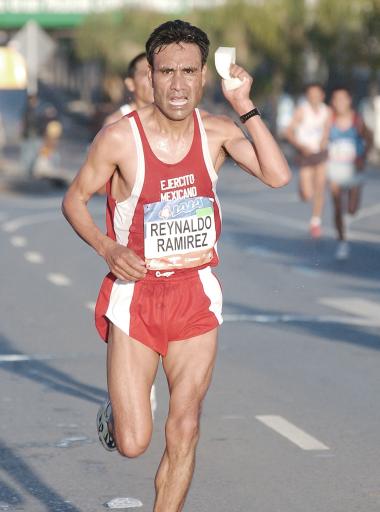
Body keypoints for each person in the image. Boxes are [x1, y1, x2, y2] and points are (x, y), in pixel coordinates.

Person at [62, 19, 291, 512]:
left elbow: (277, 174)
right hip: (137, 296)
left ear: (205, 75)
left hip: (194, 294)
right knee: (134, 442)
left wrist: (244, 105)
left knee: (184, 425)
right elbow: (75, 201)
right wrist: (108, 249)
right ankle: (119, 415)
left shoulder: (217, 132)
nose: (179, 84)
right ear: (151, 73)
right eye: (167, 72)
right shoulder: (119, 139)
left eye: (189, 71)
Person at [327, 86, 372, 260]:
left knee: (352, 209)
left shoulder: (357, 120)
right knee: (338, 207)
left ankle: (347, 221)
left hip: (353, 168)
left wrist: (363, 156)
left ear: (348, 100)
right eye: (335, 99)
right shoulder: (329, 120)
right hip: (334, 167)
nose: (339, 103)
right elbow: (323, 140)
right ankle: (342, 241)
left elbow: (369, 138)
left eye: (342, 99)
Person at [285, 83, 330, 238]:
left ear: (322, 95)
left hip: (320, 154)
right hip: (305, 153)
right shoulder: (302, 111)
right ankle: (302, 189)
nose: (314, 97)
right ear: (307, 96)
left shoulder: (327, 111)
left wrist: (324, 140)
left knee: (320, 187)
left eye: (317, 94)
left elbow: (327, 129)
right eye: (311, 94)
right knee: (307, 194)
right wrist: (300, 146)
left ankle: (315, 222)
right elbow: (288, 131)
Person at [103, 52, 154, 126]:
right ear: (130, 84)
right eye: (145, 74)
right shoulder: (115, 123)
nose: (152, 78)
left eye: (155, 72)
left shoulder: (171, 119)